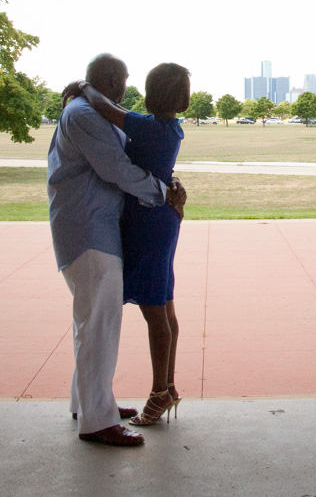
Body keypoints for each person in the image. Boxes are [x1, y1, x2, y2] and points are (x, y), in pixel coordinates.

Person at [48, 54, 186, 447]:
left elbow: (122, 122)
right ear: (110, 79)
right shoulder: (85, 114)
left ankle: (90, 402)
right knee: (100, 326)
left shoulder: (86, 109)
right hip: (90, 231)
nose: (128, 89)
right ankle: (97, 420)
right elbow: (117, 170)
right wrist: (165, 193)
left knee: (92, 323)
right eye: (124, 80)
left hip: (96, 228)